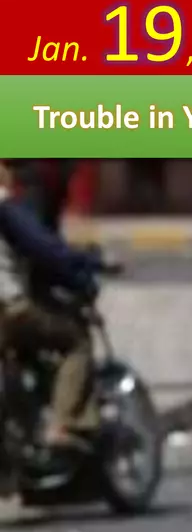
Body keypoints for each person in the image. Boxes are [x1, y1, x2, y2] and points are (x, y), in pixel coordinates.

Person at [0, 160, 110, 454]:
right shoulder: (7, 206)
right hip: (9, 310)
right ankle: (64, 424)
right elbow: (46, 250)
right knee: (75, 340)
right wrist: (87, 268)